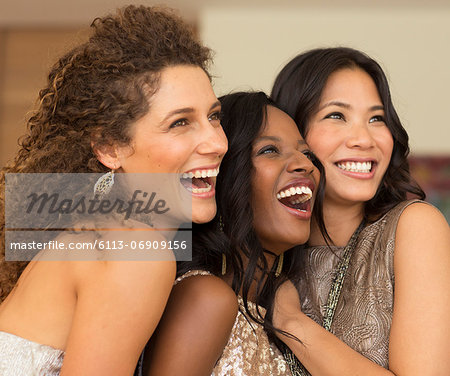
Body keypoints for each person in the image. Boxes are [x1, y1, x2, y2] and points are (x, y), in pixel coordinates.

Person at [0, 5, 227, 375]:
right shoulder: (133, 251)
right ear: (109, 149)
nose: (217, 142)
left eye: (214, 116)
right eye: (180, 123)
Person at [270, 47, 450, 375]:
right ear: (292, 131)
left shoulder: (414, 228)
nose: (364, 139)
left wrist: (290, 321)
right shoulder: (264, 248)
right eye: (337, 115)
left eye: (376, 118)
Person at [142, 91, 325, 376]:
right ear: (224, 178)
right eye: (269, 150)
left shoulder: (271, 305)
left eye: (306, 152)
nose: (306, 164)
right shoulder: (206, 296)